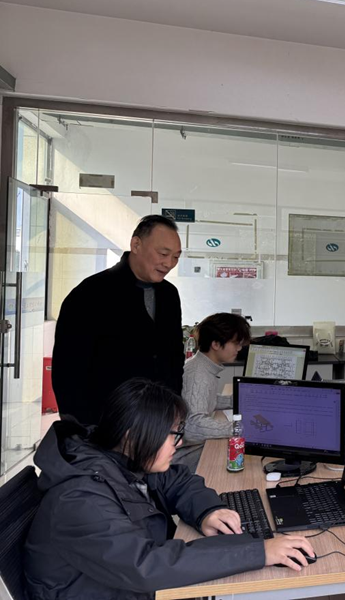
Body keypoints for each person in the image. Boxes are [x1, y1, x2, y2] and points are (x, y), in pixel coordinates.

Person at [25, 378, 315, 600]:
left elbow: (176, 480)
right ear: (133, 436)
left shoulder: (116, 458)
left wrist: (207, 511)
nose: (179, 443)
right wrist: (258, 552)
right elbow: (146, 566)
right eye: (173, 434)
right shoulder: (80, 499)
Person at [52, 214, 186, 425]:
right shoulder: (91, 293)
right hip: (105, 423)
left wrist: (174, 407)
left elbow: (175, 357)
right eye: (163, 253)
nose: (169, 263)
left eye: (176, 257)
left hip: (156, 422)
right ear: (136, 245)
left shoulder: (169, 295)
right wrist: (82, 426)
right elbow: (68, 370)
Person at [174, 313, 251, 469]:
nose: (239, 348)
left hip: (193, 448)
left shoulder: (201, 365)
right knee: (244, 457)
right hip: (184, 457)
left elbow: (205, 399)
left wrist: (238, 400)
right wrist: (239, 428)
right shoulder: (199, 374)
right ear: (215, 344)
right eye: (235, 343)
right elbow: (194, 426)